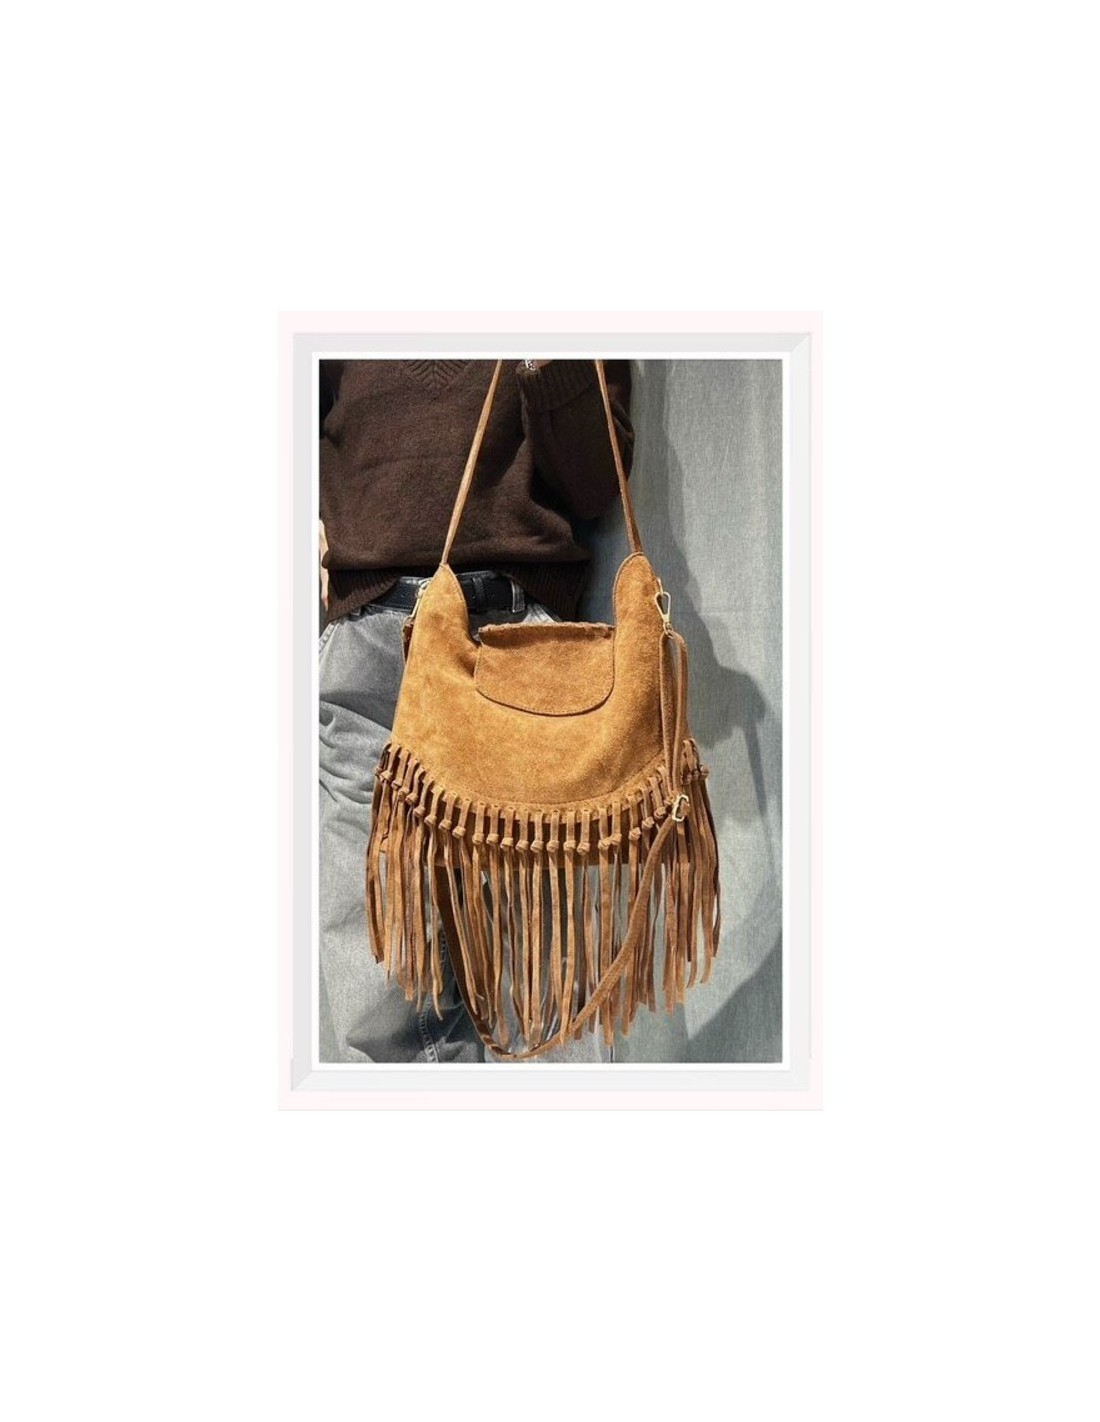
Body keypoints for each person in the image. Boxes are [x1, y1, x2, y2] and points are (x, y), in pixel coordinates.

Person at [318, 357, 635, 1063]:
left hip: (518, 654)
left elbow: (594, 482)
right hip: (369, 647)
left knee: (544, 998)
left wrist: (548, 356)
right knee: (381, 1001)